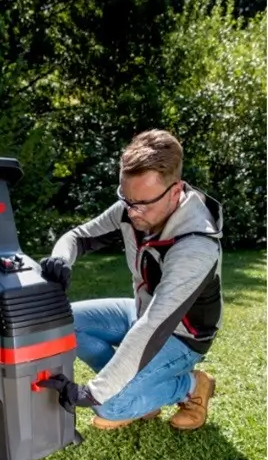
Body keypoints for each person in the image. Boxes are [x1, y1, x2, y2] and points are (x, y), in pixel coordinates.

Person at [38, 129, 223, 431]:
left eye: (142, 204)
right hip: (140, 311)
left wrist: (93, 393)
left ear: (175, 192)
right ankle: (140, 394)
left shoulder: (196, 246)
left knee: (109, 405)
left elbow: (154, 327)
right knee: (64, 323)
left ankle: (190, 385)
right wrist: (61, 259)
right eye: (126, 199)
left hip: (181, 336)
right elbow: (78, 237)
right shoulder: (132, 207)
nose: (132, 213)